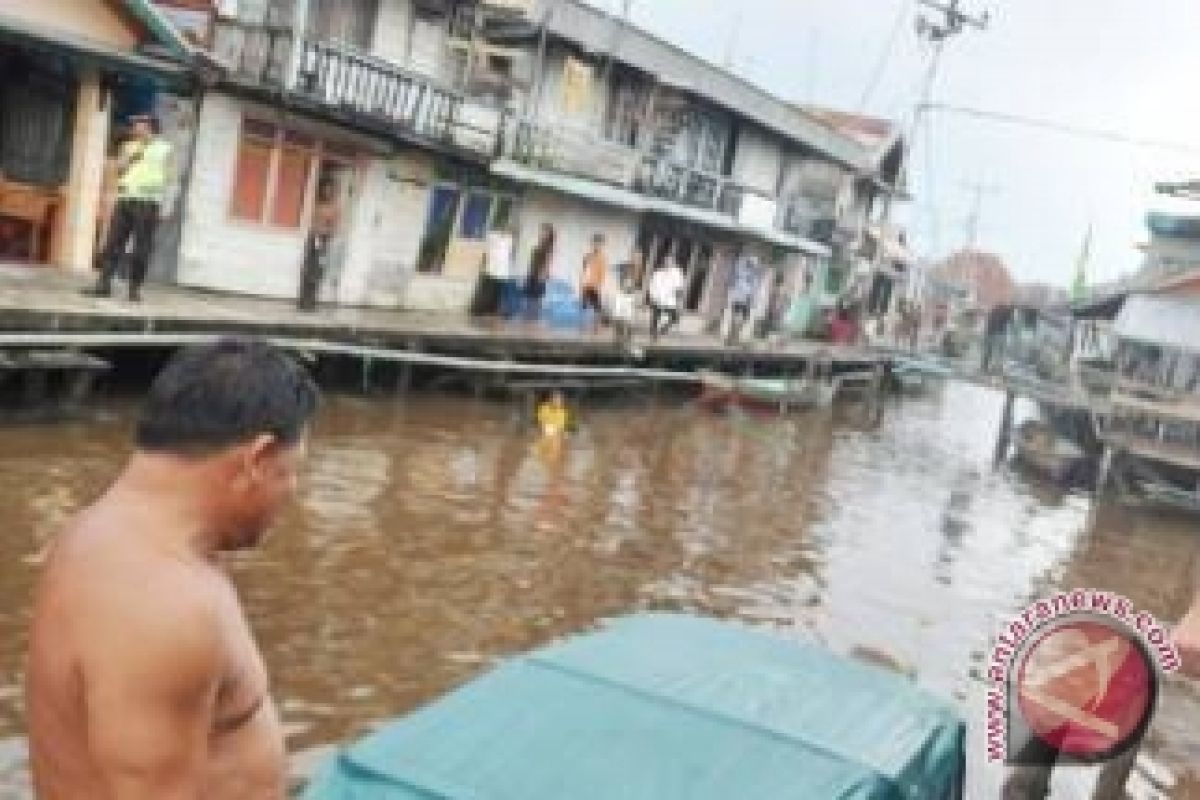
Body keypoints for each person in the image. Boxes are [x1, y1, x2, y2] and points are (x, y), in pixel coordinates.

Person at [26, 338, 319, 799]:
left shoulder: (96, 535)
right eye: (291, 470)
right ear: (257, 459)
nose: (292, 491)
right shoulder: (167, 606)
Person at [84, 114, 173, 302]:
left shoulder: (165, 149)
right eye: (134, 124)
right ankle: (103, 285)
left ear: (149, 126)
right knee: (113, 243)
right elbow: (119, 170)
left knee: (142, 247)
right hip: (125, 199)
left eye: (138, 124)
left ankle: (134, 289)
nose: (134, 127)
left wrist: (166, 207)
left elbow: (171, 180)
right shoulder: (128, 146)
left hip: (148, 202)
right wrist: (127, 159)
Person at [298, 178, 340, 312]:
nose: (327, 192)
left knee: (317, 271)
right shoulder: (316, 204)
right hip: (313, 238)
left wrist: (324, 235)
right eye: (325, 189)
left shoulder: (334, 208)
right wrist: (314, 233)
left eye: (330, 190)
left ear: (333, 192)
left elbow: (334, 228)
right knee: (307, 269)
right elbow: (310, 220)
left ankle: (311, 303)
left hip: (323, 240)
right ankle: (303, 301)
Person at [472, 223, 516, 318]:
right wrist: (483, 264)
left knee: (496, 293)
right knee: (486, 291)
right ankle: (479, 310)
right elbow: (486, 251)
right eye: (506, 229)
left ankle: (491, 310)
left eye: (509, 230)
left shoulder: (510, 240)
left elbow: (508, 256)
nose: (507, 231)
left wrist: (508, 270)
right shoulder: (493, 237)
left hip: (502, 271)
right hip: (491, 269)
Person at [726, 254, 762, 345]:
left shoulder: (740, 270)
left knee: (735, 317)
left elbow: (731, 282)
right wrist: (753, 301)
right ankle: (734, 337)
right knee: (742, 318)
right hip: (745, 299)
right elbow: (754, 289)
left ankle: (731, 337)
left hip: (738, 297)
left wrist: (732, 292)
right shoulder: (753, 275)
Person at [648, 257, 686, 340]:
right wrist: (652, 296)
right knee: (655, 316)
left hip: (669, 300)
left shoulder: (676, 273)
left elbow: (679, 287)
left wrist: (679, 300)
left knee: (675, 317)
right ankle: (653, 334)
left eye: (670, 262)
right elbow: (652, 285)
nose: (667, 264)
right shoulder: (658, 273)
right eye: (666, 262)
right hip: (657, 298)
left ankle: (663, 328)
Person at [525, 224, 555, 322]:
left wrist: (543, 275)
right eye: (541, 231)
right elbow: (533, 262)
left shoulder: (548, 248)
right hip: (532, 274)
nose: (542, 233)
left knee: (535, 300)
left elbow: (547, 263)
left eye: (545, 232)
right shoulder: (538, 245)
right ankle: (529, 319)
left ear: (549, 235)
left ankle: (533, 320)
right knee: (529, 298)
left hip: (539, 276)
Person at [581, 233, 609, 327]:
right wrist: (582, 284)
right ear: (591, 243)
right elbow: (584, 271)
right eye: (595, 243)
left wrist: (598, 286)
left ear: (602, 245)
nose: (596, 245)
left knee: (597, 308)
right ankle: (584, 326)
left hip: (595, 286)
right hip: (586, 285)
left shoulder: (602, 258)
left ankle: (596, 327)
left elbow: (602, 274)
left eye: (599, 243)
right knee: (584, 307)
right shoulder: (587, 256)